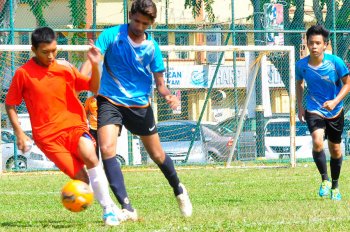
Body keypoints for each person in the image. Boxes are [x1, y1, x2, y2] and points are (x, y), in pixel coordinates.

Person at [82, 0, 192, 218]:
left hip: (139, 105)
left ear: (151, 23)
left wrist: (169, 96)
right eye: (136, 21)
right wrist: (83, 75)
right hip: (109, 100)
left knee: (157, 154)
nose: (139, 26)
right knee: (106, 149)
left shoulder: (152, 48)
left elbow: (160, 84)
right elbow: (93, 59)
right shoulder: (111, 35)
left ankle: (179, 189)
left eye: (144, 23)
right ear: (130, 15)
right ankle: (127, 207)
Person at [5, 27, 121, 226]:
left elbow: (94, 88)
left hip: (73, 126)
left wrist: (94, 65)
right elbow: (10, 104)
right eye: (45, 52)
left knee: (90, 155)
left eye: (54, 50)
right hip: (48, 138)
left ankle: (108, 209)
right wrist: (19, 133)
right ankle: (98, 198)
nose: (51, 56)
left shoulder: (65, 68)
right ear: (33, 49)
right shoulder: (23, 74)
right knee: (83, 180)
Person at [296, 25, 350, 200]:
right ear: (306, 43)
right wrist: (300, 106)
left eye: (318, 43)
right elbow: (299, 84)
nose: (314, 46)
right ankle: (324, 180)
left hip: (335, 111)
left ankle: (335, 186)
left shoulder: (335, 62)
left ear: (325, 45)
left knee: (335, 149)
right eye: (310, 43)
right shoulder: (301, 65)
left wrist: (335, 101)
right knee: (317, 142)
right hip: (314, 109)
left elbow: (347, 84)